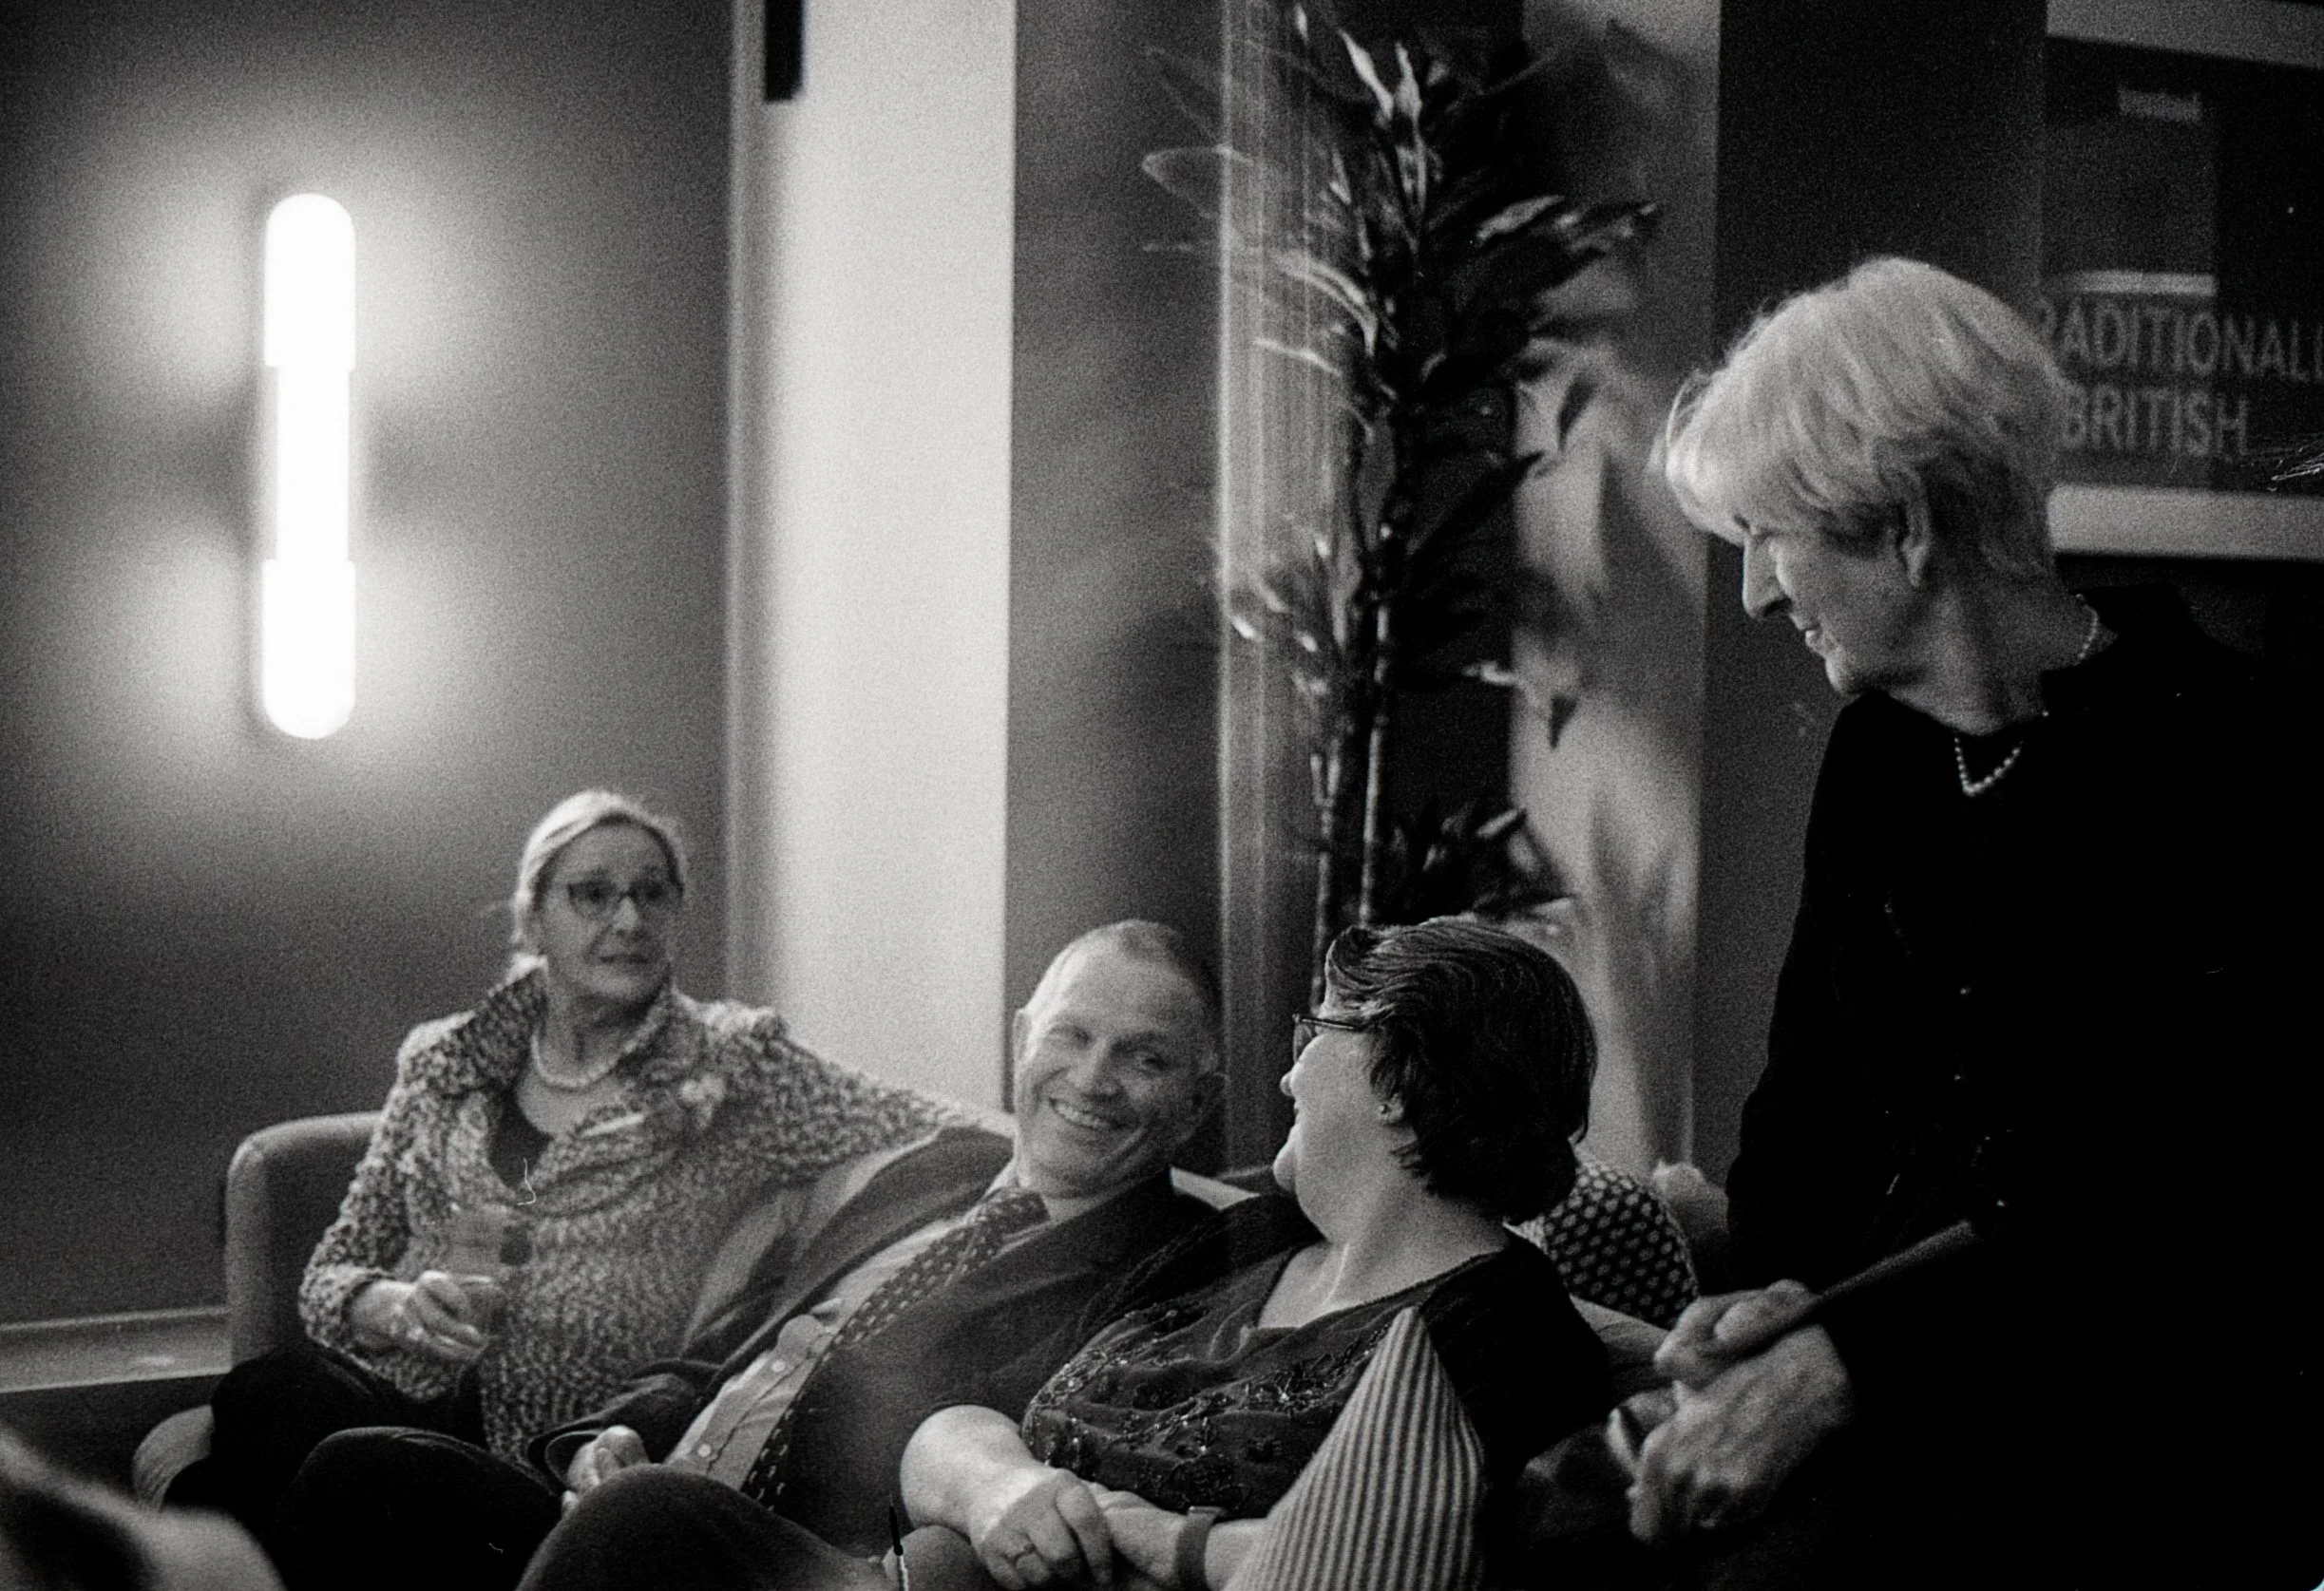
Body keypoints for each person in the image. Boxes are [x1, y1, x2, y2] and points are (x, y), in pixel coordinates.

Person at [1628, 256, 2321, 1589]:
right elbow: (1808, 1106)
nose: (1759, 595)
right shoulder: (1878, 759)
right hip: (1896, 1355)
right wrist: (1780, 1292)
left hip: (2134, 1415)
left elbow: (2194, 1196)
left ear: (1902, 527)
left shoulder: (2238, 763)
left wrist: (1853, 1359)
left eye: (1773, 537)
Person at [577, 917, 1610, 1591]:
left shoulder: (1503, 1328)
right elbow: (964, 1413)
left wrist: (1148, 1533)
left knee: (644, 1526)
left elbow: (1402, 1562)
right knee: (610, 1513)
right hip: (913, 1569)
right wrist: (996, 1488)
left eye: (1320, 1030)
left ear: (1395, 1071)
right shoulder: (1236, 1255)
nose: (1291, 1073)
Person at [263, 919, 1229, 1591]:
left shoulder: (1172, 1261)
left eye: (1145, 1057)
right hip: (640, 1488)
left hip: (784, 1554)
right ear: (1023, 1036)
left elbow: (996, 1444)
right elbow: (732, 1344)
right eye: (1074, 1034)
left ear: (1196, 1101)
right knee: (357, 1469)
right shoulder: (938, 1168)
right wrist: (610, 1435)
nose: (1093, 1078)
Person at [177, 789, 959, 1546]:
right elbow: (331, 1272)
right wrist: (395, 1303)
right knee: (269, 1393)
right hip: (403, 1387)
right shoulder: (445, 1063)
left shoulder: (735, 1067)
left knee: (306, 1479)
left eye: (652, 894)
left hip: (555, 1451)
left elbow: (933, 1126)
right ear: (533, 917)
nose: (629, 919)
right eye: (593, 894)